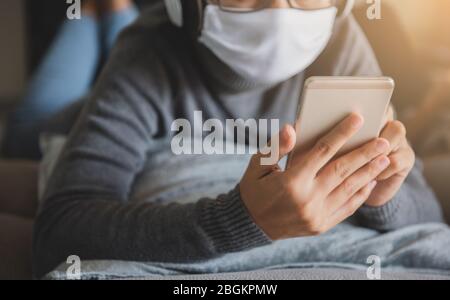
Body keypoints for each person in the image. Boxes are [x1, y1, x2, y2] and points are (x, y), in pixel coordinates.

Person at [31, 0, 445, 278]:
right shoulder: (148, 49)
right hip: (68, 115)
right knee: (39, 113)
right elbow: (59, 230)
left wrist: (377, 192)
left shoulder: (340, 40)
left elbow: (426, 209)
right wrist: (240, 220)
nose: (280, 13)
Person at [0, 0, 138, 279]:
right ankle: (102, 9)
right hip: (66, 122)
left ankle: (97, 8)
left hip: (43, 130)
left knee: (111, 26)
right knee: (125, 34)